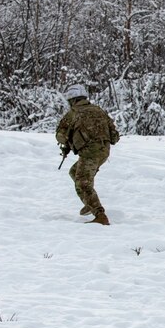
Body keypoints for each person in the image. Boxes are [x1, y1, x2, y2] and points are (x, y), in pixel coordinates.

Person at [55, 84, 120, 226]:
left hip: (90, 153)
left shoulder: (73, 113)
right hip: (104, 151)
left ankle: (100, 215)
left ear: (72, 99)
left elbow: (60, 135)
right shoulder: (99, 111)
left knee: (83, 182)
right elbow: (115, 135)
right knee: (75, 172)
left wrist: (69, 142)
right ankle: (89, 202)